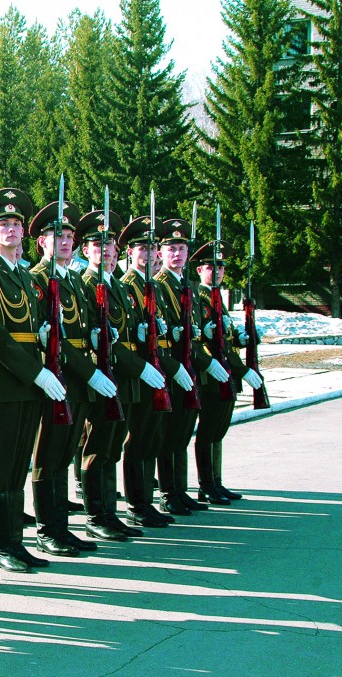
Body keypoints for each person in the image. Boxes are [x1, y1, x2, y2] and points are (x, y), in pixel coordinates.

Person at [0, 188, 64, 572]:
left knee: (18, 465)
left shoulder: (26, 277)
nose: (11, 229)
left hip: (32, 378)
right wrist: (37, 372)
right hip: (8, 380)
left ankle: (16, 540)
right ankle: (1, 546)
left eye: (15, 223)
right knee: (2, 464)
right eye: (3, 224)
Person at [29, 201, 118, 556]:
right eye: (55, 235)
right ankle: (46, 529)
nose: (64, 241)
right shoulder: (37, 278)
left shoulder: (76, 281)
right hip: (57, 374)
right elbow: (54, 339)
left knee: (65, 453)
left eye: (68, 236)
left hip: (79, 378)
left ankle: (61, 528)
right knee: (47, 455)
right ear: (41, 243)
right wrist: (89, 371)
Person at [77, 210, 167, 541]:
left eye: (111, 244)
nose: (109, 250)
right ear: (85, 250)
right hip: (104, 374)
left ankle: (110, 513)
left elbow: (124, 334)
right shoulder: (87, 284)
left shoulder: (118, 287)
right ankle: (95, 513)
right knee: (98, 446)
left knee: (114, 445)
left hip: (124, 378)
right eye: (99, 245)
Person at [117, 217, 191, 528]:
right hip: (140, 370)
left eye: (151, 248)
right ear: (130, 253)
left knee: (153, 436)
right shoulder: (128, 285)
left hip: (157, 367)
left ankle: (147, 499)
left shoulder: (152, 286)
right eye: (140, 248)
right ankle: (137, 502)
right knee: (139, 437)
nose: (147, 254)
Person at [153, 219, 230, 516]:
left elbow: (194, 335)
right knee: (168, 434)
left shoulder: (189, 287)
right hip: (171, 370)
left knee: (183, 433)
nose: (177, 253)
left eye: (182, 248)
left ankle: (181, 491)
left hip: (191, 369)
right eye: (171, 248)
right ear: (161, 253)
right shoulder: (158, 286)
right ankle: (168, 492)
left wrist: (205, 363)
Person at [191, 240, 263, 503]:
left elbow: (226, 338)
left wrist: (244, 338)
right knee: (208, 429)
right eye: (211, 267)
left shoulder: (217, 297)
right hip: (210, 376)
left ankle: (216, 482)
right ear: (200, 270)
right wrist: (241, 369)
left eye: (220, 267)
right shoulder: (198, 297)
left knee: (219, 430)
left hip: (226, 373)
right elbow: (202, 340)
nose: (217, 272)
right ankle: (206, 484)